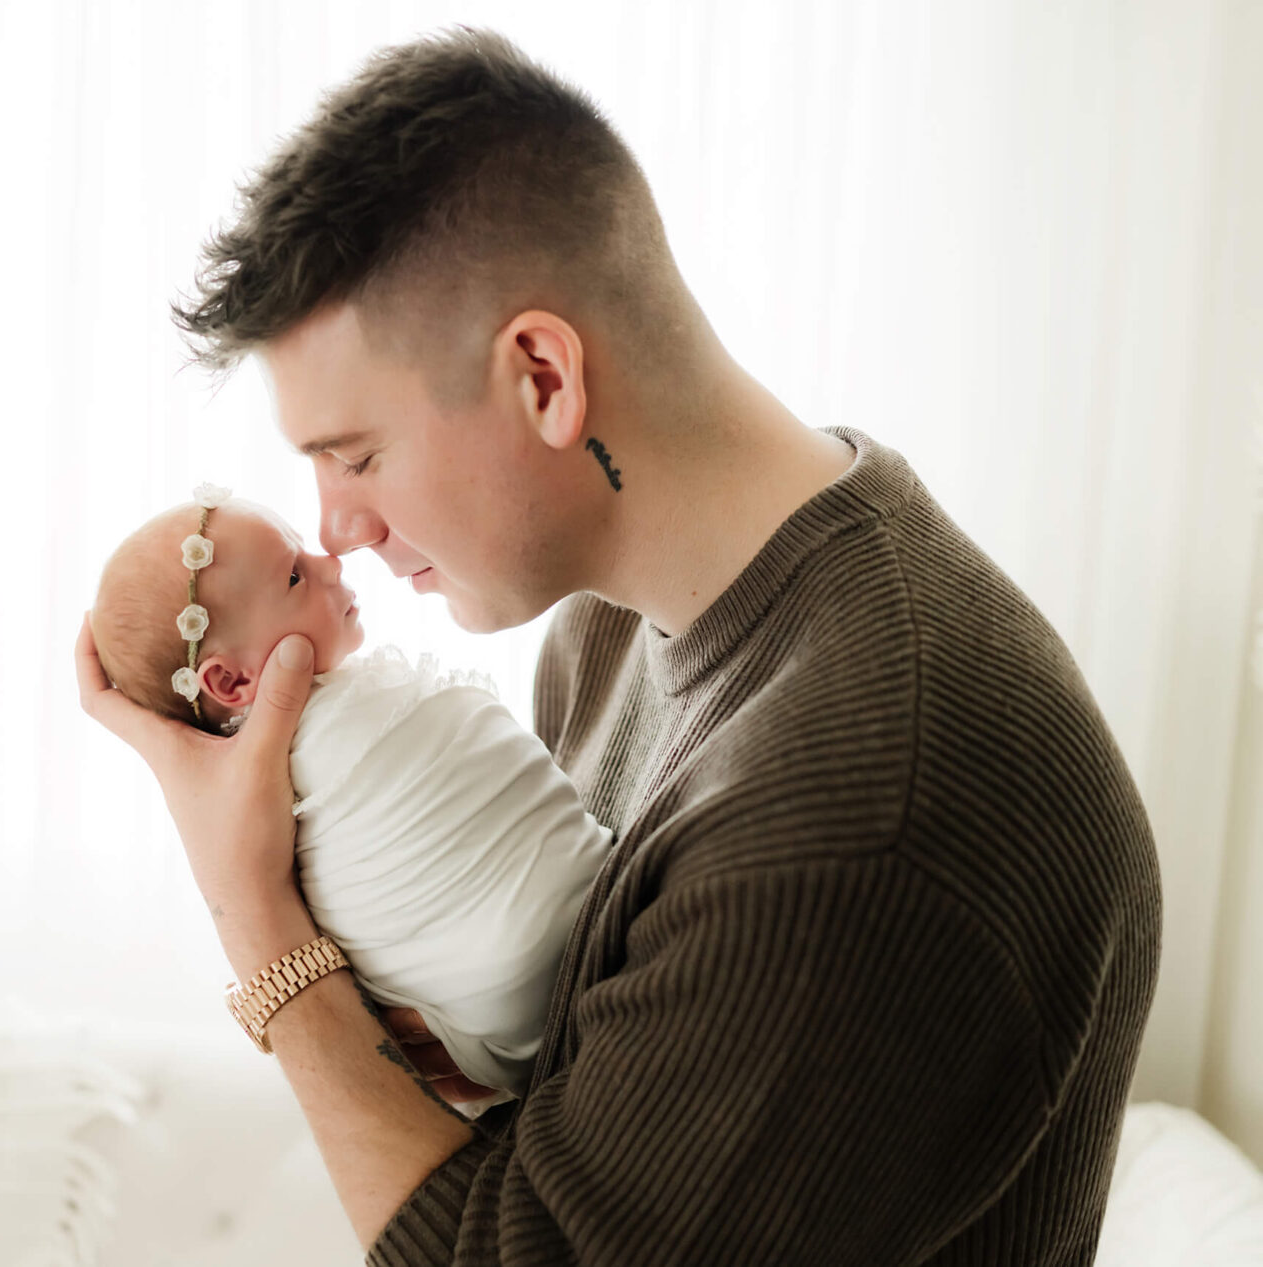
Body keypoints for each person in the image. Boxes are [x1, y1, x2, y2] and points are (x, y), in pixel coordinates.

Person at [74, 25, 1161, 1265]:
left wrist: (254, 915)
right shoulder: (606, 628)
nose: (340, 529)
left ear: (542, 374)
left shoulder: (870, 810)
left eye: (356, 455)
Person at [88, 489, 612, 1101]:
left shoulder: (280, 786)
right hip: (567, 941)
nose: (332, 564)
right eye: (294, 575)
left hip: (502, 1024)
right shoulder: (305, 769)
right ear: (231, 680)